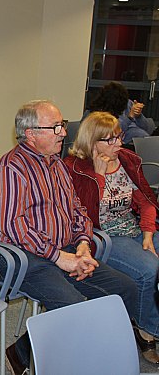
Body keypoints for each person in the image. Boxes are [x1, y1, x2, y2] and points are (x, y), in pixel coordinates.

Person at [0, 99, 139, 374]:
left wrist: (83, 245)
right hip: (17, 255)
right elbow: (13, 228)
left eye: (62, 125)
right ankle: (48, 359)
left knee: (125, 288)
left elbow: (77, 209)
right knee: (73, 305)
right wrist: (60, 258)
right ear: (31, 134)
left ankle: (28, 351)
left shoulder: (56, 164)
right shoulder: (12, 169)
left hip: (61, 248)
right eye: (55, 127)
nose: (64, 132)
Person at [64, 111, 159, 363]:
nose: (119, 143)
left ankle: (150, 320)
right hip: (104, 236)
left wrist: (148, 233)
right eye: (110, 140)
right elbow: (84, 215)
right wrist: (99, 175)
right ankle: (146, 330)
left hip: (134, 229)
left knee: (153, 263)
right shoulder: (74, 168)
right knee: (149, 270)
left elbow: (146, 201)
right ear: (92, 142)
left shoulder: (126, 160)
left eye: (119, 136)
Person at [86, 81, 154, 145]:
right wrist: (130, 117)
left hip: (140, 139)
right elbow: (111, 131)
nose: (125, 105)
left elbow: (147, 128)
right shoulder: (96, 112)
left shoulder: (128, 103)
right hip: (119, 143)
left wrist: (138, 116)